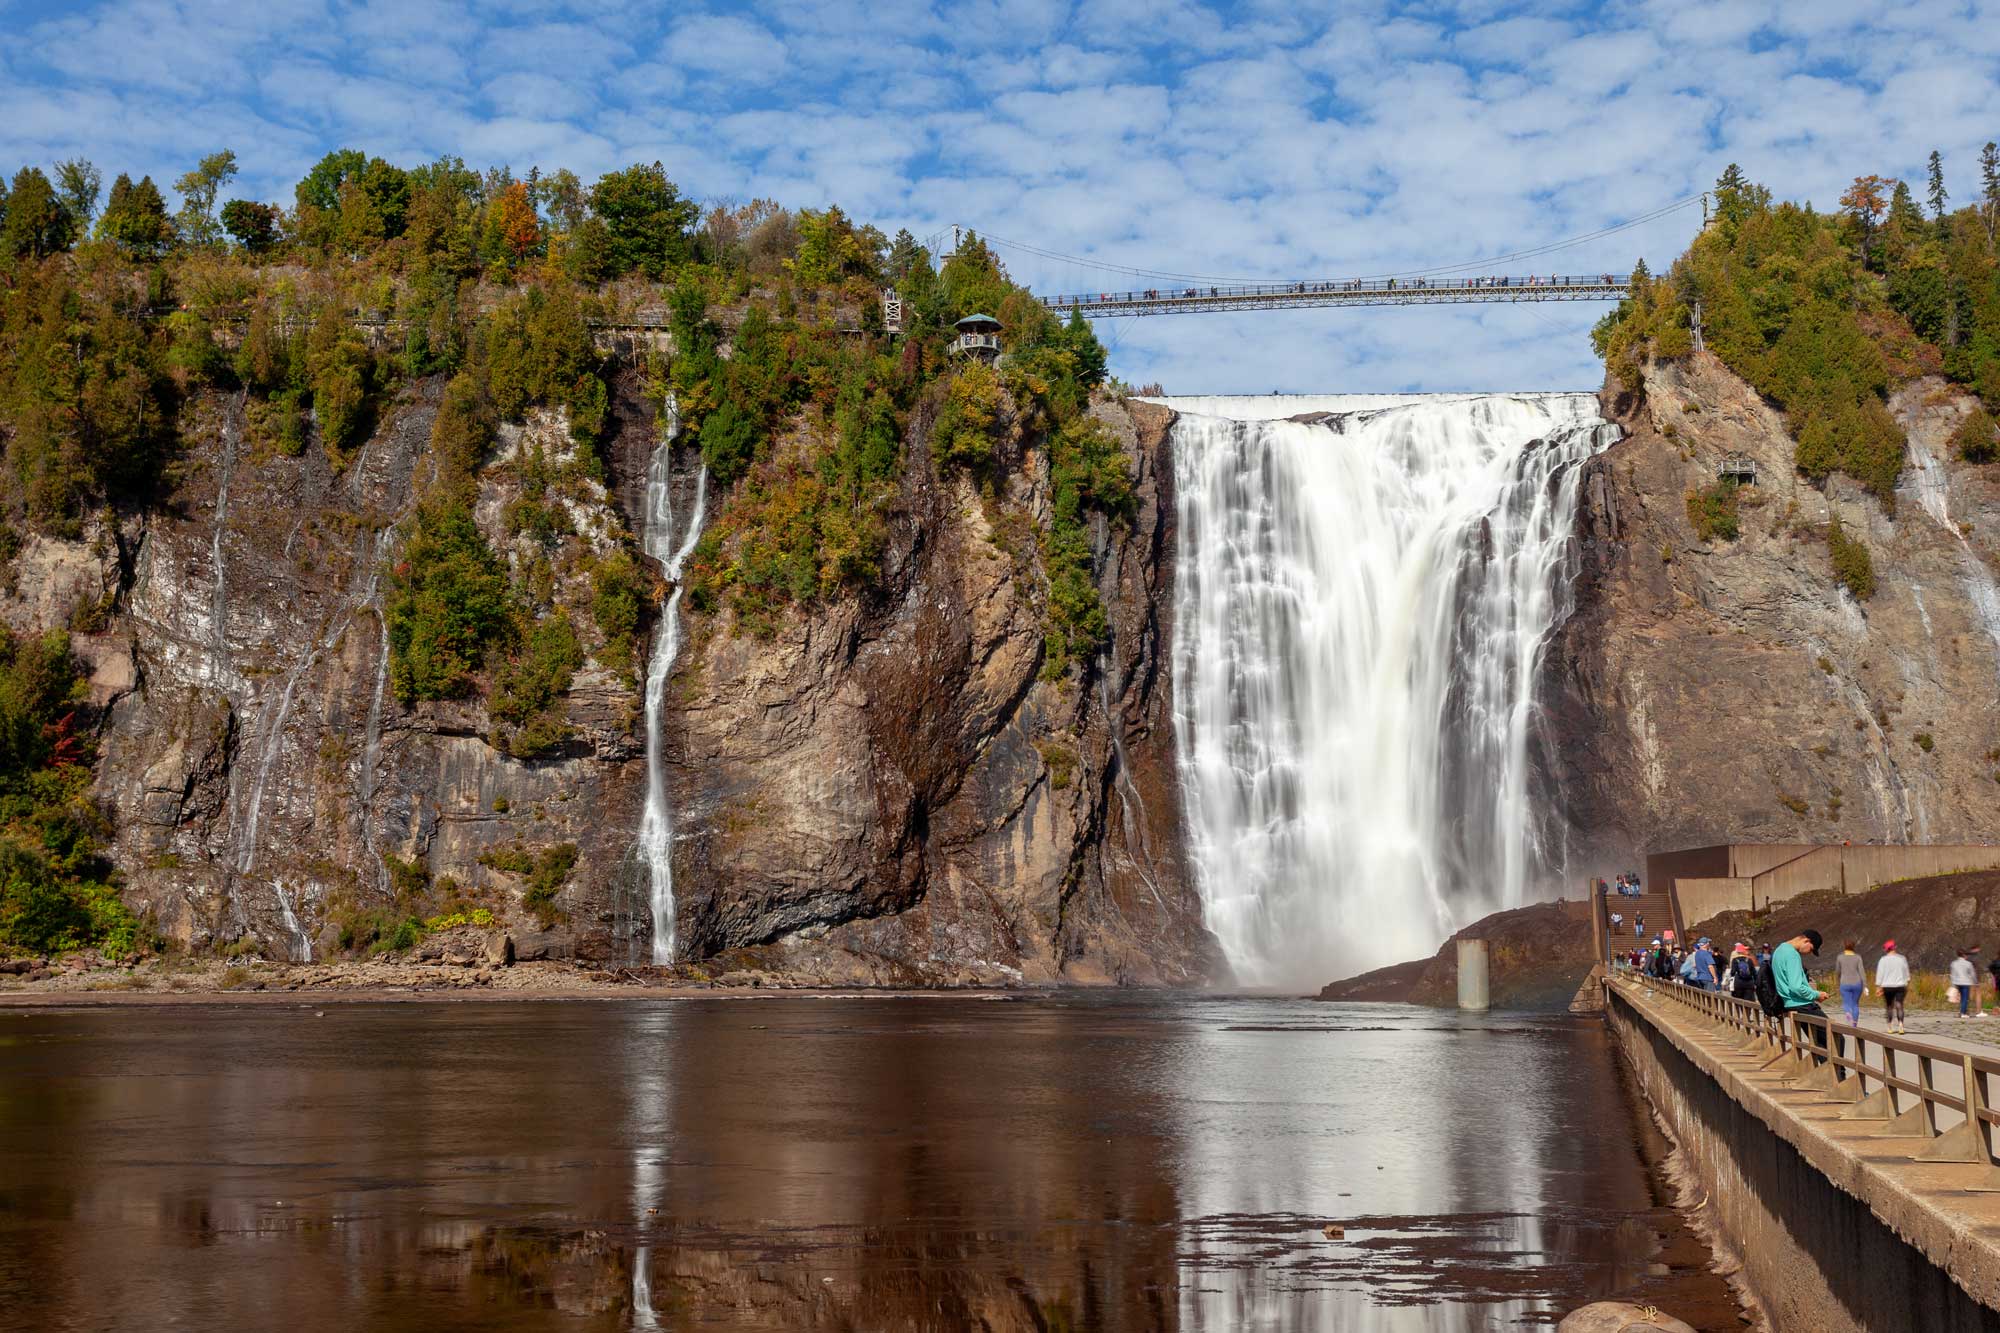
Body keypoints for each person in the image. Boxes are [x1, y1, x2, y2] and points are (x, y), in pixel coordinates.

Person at [1772, 929, 1829, 1053]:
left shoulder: (1779, 950)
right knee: (1835, 1037)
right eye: (1811, 949)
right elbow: (1796, 986)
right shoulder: (1792, 954)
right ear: (1806, 941)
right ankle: (1837, 1072)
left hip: (1789, 1003)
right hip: (1801, 1004)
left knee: (1818, 1042)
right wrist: (1816, 995)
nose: (1809, 953)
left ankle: (1825, 1070)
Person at [1876, 939, 1910, 1034]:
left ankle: (1890, 1026)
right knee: (1899, 1005)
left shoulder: (1883, 960)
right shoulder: (1902, 958)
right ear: (1895, 947)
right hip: (1900, 985)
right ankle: (1901, 1026)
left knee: (1889, 1006)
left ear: (1886, 949)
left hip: (1887, 986)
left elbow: (1880, 974)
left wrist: (1879, 986)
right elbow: (1907, 974)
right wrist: (1906, 981)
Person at [1835, 941, 1866, 1027]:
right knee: (1855, 1004)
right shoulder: (1858, 957)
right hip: (1857, 983)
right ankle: (1854, 1024)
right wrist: (1865, 985)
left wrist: (1837, 983)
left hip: (1844, 983)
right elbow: (1862, 972)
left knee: (1847, 1003)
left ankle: (1848, 1014)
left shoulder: (1840, 957)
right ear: (1853, 947)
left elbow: (1838, 972)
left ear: (1844, 946)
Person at [1951, 948, 1979, 1018]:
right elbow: (1972, 974)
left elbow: (1952, 974)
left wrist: (1953, 984)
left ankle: (1963, 1011)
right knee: (1965, 998)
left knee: (1962, 998)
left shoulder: (1954, 963)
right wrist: (1976, 982)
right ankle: (1963, 1013)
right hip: (1966, 983)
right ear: (1963, 955)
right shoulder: (1968, 963)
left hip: (1957, 982)